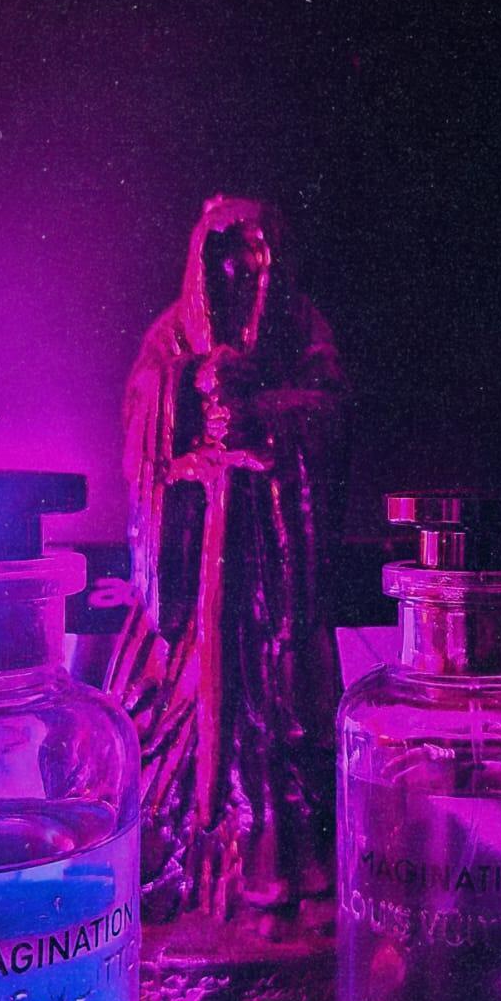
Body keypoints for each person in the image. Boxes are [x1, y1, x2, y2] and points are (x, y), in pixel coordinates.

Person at [108, 194, 348, 935]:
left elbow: (329, 414)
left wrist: (265, 417)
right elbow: (143, 420)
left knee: (285, 724)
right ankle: (177, 873)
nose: (239, 271)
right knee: (165, 729)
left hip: (275, 588)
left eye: (254, 254)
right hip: (189, 590)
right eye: (224, 255)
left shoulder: (303, 331)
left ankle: (280, 874)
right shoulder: (169, 337)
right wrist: (191, 399)